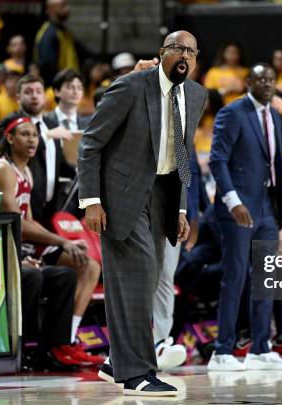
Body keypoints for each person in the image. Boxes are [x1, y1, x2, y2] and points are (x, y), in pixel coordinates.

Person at [78, 30, 207, 396]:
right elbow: (91, 143)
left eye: (191, 52)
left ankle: (117, 362)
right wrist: (91, 200)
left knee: (144, 283)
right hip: (121, 196)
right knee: (138, 274)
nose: (184, 55)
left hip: (163, 195)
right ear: (161, 53)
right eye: (178, 48)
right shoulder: (132, 86)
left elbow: (183, 154)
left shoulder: (196, 95)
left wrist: (181, 207)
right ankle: (138, 374)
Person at [0, 115, 103, 365]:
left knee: (88, 265)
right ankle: (32, 345)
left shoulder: (26, 171)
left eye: (35, 135)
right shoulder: (1, 169)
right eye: (25, 134)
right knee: (44, 274)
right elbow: (16, 221)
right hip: (0, 246)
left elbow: (29, 220)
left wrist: (64, 241)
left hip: (23, 243)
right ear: (9, 138)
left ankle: (66, 341)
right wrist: (62, 242)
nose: (32, 140)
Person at [207, 63, 282, 371]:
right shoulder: (232, 113)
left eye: (272, 79)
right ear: (248, 82)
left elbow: (276, 168)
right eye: (260, 79)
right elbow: (217, 160)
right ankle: (222, 350)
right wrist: (232, 199)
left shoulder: (274, 115)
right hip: (238, 209)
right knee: (235, 277)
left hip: (266, 210)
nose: (267, 84)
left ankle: (261, 349)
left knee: (266, 279)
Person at [15, 75, 75, 227]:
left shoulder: (51, 123)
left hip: (51, 206)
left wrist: (80, 171)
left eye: (38, 91)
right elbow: (19, 150)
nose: (34, 95)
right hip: (24, 205)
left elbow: (57, 163)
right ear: (18, 97)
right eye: (28, 92)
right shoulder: (11, 122)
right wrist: (47, 135)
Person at [34, 0, 81, 86]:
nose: (67, 9)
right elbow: (47, 68)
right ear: (50, 9)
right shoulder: (48, 34)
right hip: (56, 90)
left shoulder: (64, 31)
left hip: (68, 85)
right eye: (62, 6)